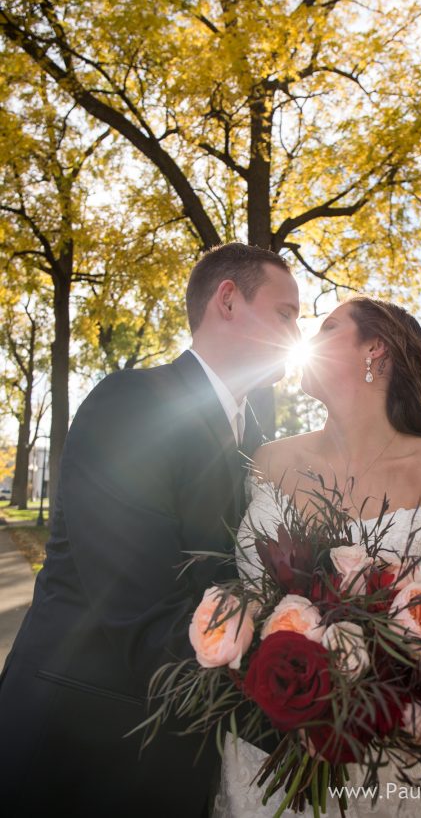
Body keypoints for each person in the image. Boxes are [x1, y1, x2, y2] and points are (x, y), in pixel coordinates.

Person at [212, 296, 421, 817]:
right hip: (264, 746)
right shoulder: (269, 460)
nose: (307, 336)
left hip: (389, 768)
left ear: (375, 348)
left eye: (327, 327)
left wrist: (394, 677)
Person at [0, 242, 300, 817]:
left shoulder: (260, 440)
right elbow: (137, 609)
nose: (296, 330)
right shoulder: (134, 404)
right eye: (285, 313)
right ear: (228, 301)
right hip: (82, 743)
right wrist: (299, 714)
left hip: (176, 757)